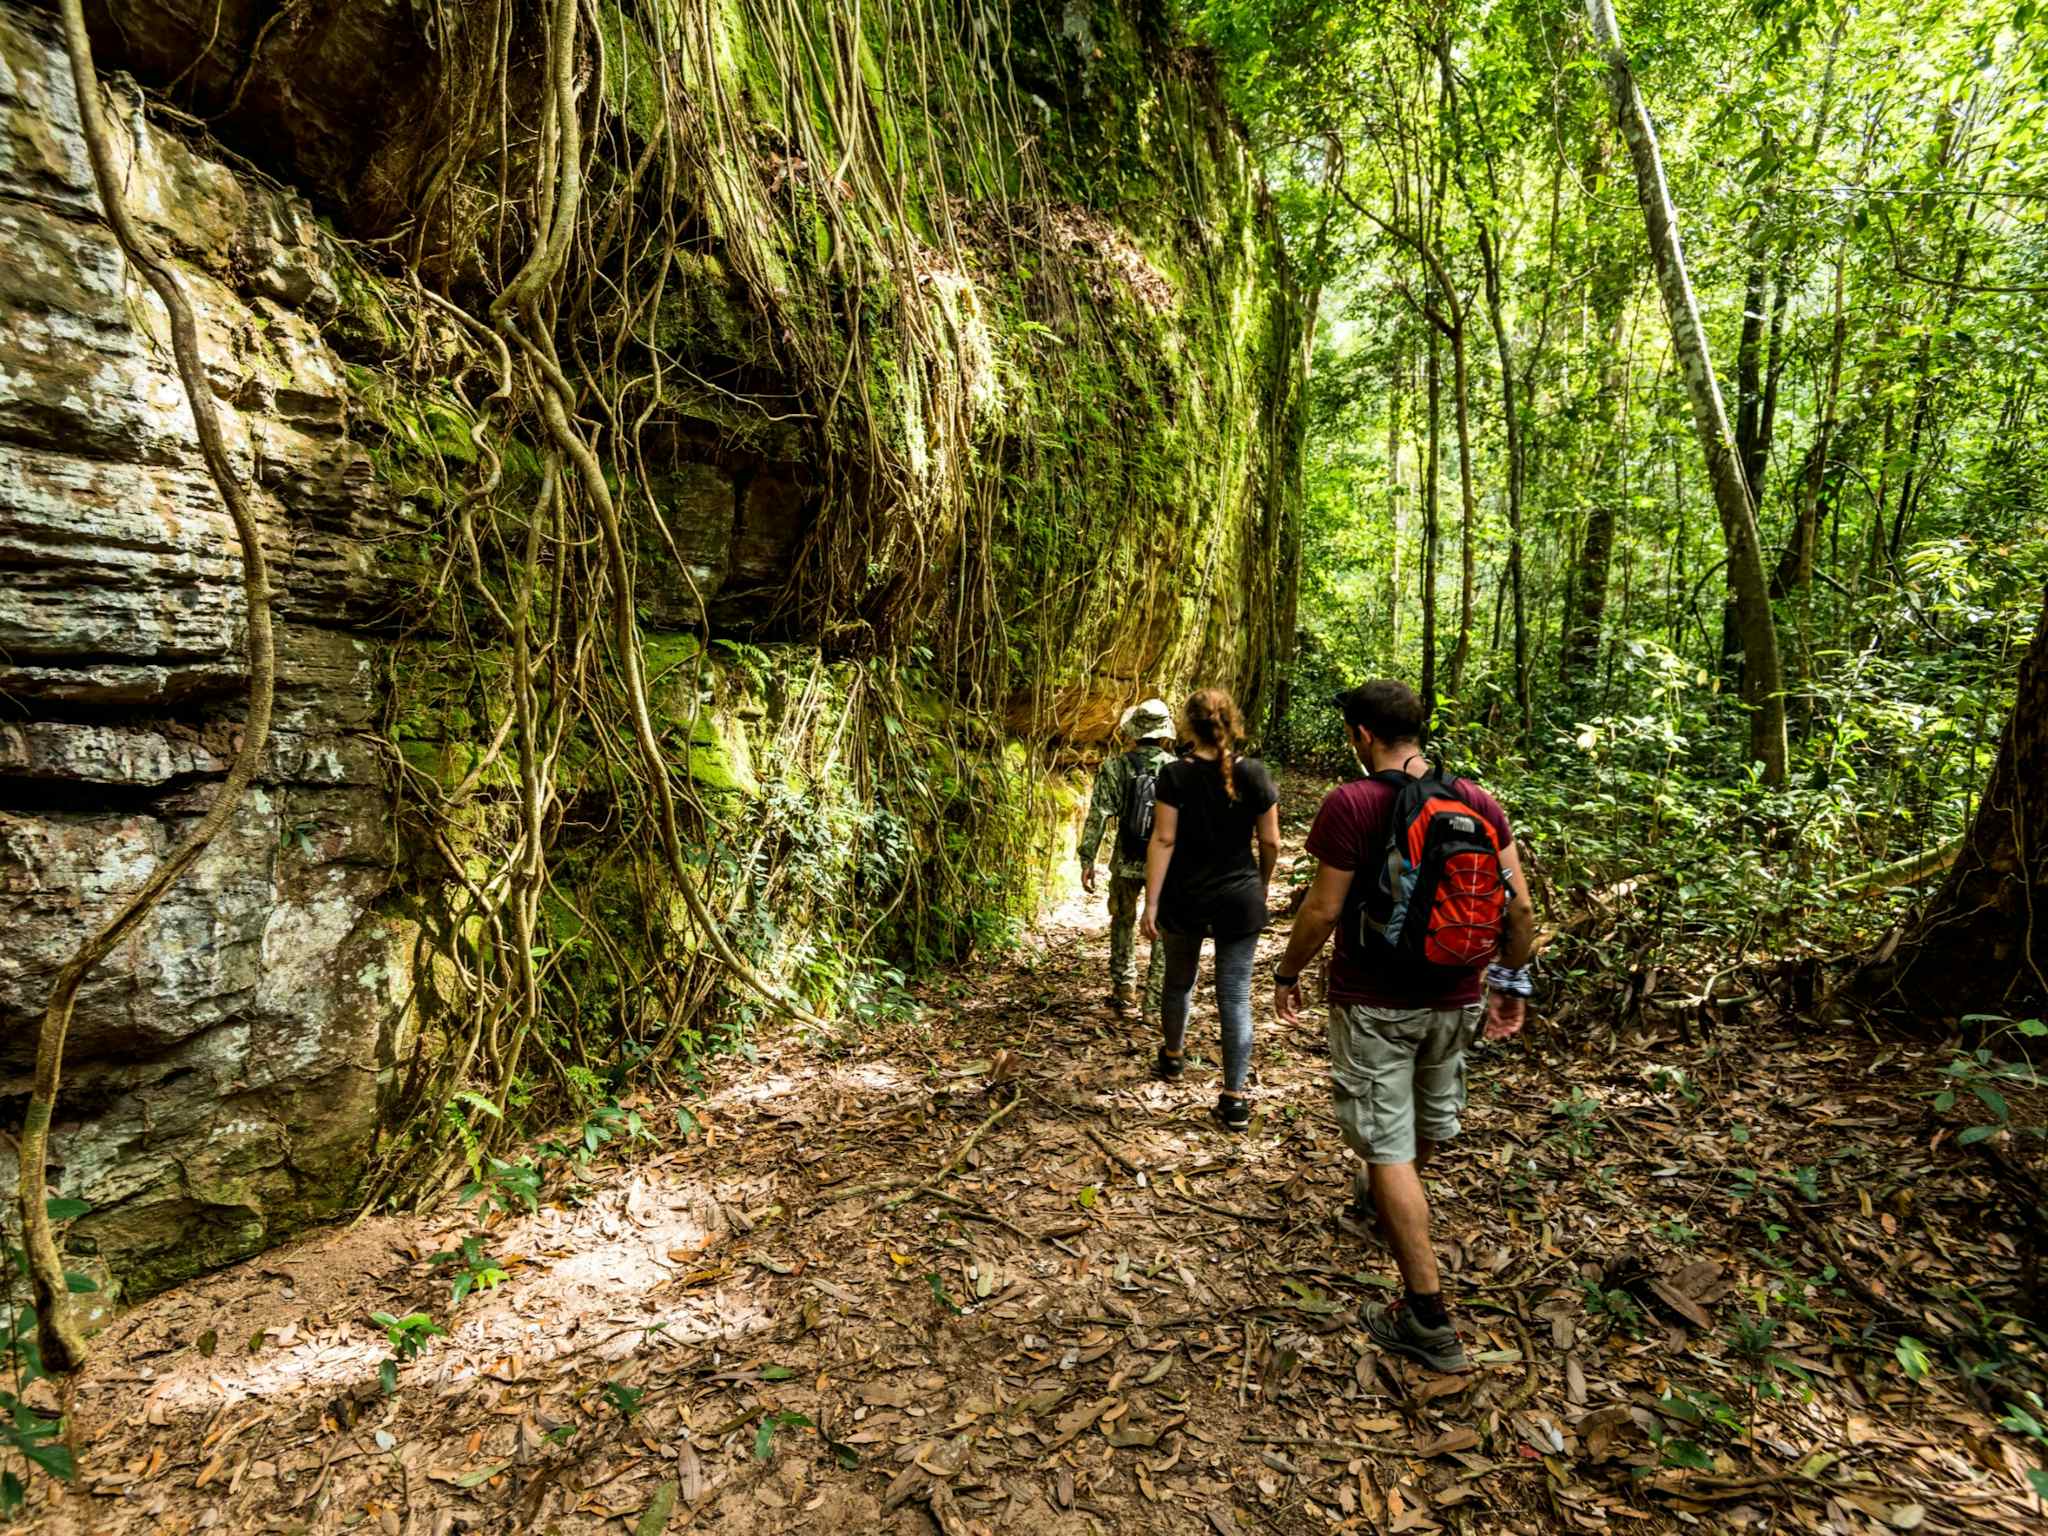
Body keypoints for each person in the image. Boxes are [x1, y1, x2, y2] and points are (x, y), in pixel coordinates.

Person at [1273, 680, 1536, 1371]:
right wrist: (1510, 982)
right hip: (1459, 996)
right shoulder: (1477, 800)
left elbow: (1324, 910)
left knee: (1386, 1148)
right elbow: (1523, 910)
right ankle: (1388, 1201)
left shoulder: (1352, 803)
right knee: (1419, 1127)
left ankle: (1425, 1315)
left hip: (1375, 1000)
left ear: (1361, 734)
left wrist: (1287, 973)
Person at [1141, 688, 1281, 1130]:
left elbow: (1163, 840)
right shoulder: (1255, 774)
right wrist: (1262, 884)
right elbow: (1272, 841)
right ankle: (1234, 1099)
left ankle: (1174, 1057)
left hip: (1186, 895)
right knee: (1235, 995)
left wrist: (1152, 901)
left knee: (1178, 981)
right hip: (1239, 897)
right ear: (1232, 723)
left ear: (1189, 726)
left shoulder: (1175, 776)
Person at [1080, 699, 1178, 1018]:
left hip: (1125, 860)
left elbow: (1099, 815)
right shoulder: (1176, 770)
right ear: (1165, 733)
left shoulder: (1115, 767)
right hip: (1164, 867)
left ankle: (1124, 989)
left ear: (1133, 732)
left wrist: (1087, 858)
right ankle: (1153, 1004)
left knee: (1122, 921)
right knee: (1162, 929)